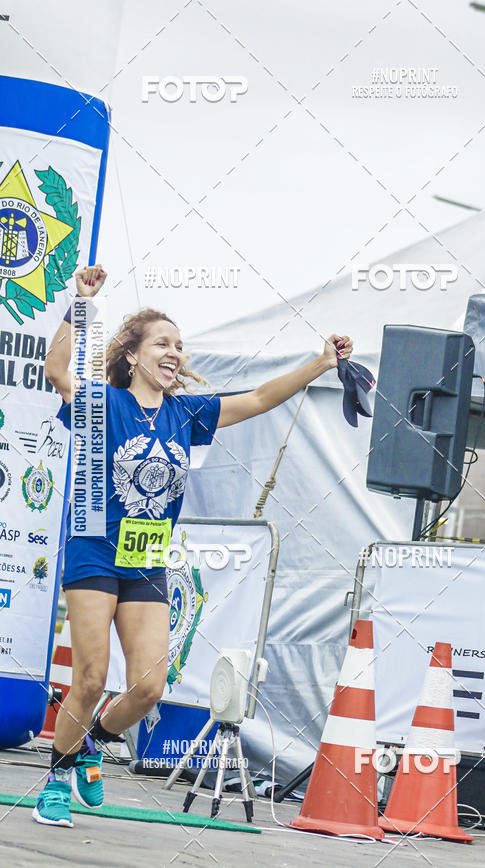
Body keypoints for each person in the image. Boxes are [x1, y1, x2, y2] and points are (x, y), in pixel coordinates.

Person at [34, 264, 353, 827]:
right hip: (94, 553)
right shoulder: (104, 404)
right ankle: (56, 779)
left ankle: (88, 749)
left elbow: (256, 399)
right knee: (88, 678)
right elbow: (57, 368)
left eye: (180, 346)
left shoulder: (187, 413)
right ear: (132, 356)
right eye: (162, 343)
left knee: (150, 686)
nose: (174, 352)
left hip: (148, 561)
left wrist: (320, 364)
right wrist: (80, 303)